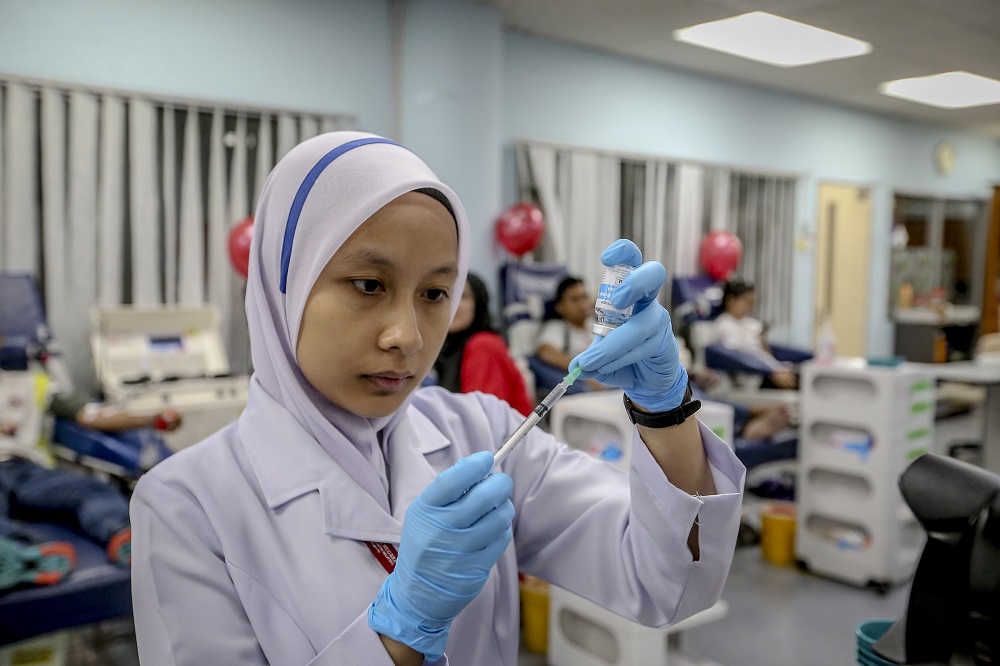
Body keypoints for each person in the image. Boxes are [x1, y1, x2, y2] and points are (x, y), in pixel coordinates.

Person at [130, 132, 744, 665]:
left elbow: (667, 581)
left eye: (433, 295)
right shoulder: (188, 506)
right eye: (368, 285)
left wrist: (666, 409)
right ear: (283, 284)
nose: (408, 337)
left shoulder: (482, 433)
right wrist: (398, 633)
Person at [432, 272, 533, 416]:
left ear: (479, 302)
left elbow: (484, 418)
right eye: (446, 295)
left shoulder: (483, 345)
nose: (453, 305)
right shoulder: (448, 349)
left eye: (463, 297)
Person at [714, 278, 797, 390]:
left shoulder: (753, 324)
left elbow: (766, 353)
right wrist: (770, 372)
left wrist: (763, 341)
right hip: (753, 378)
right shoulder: (723, 326)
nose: (749, 306)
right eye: (746, 301)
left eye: (752, 302)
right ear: (731, 300)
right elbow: (738, 358)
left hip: (773, 369)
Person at [534, 276, 605, 391]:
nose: (582, 304)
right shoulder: (557, 328)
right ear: (560, 307)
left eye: (584, 297)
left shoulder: (596, 324)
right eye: (574, 300)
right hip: (585, 388)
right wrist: (581, 373)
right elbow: (546, 352)